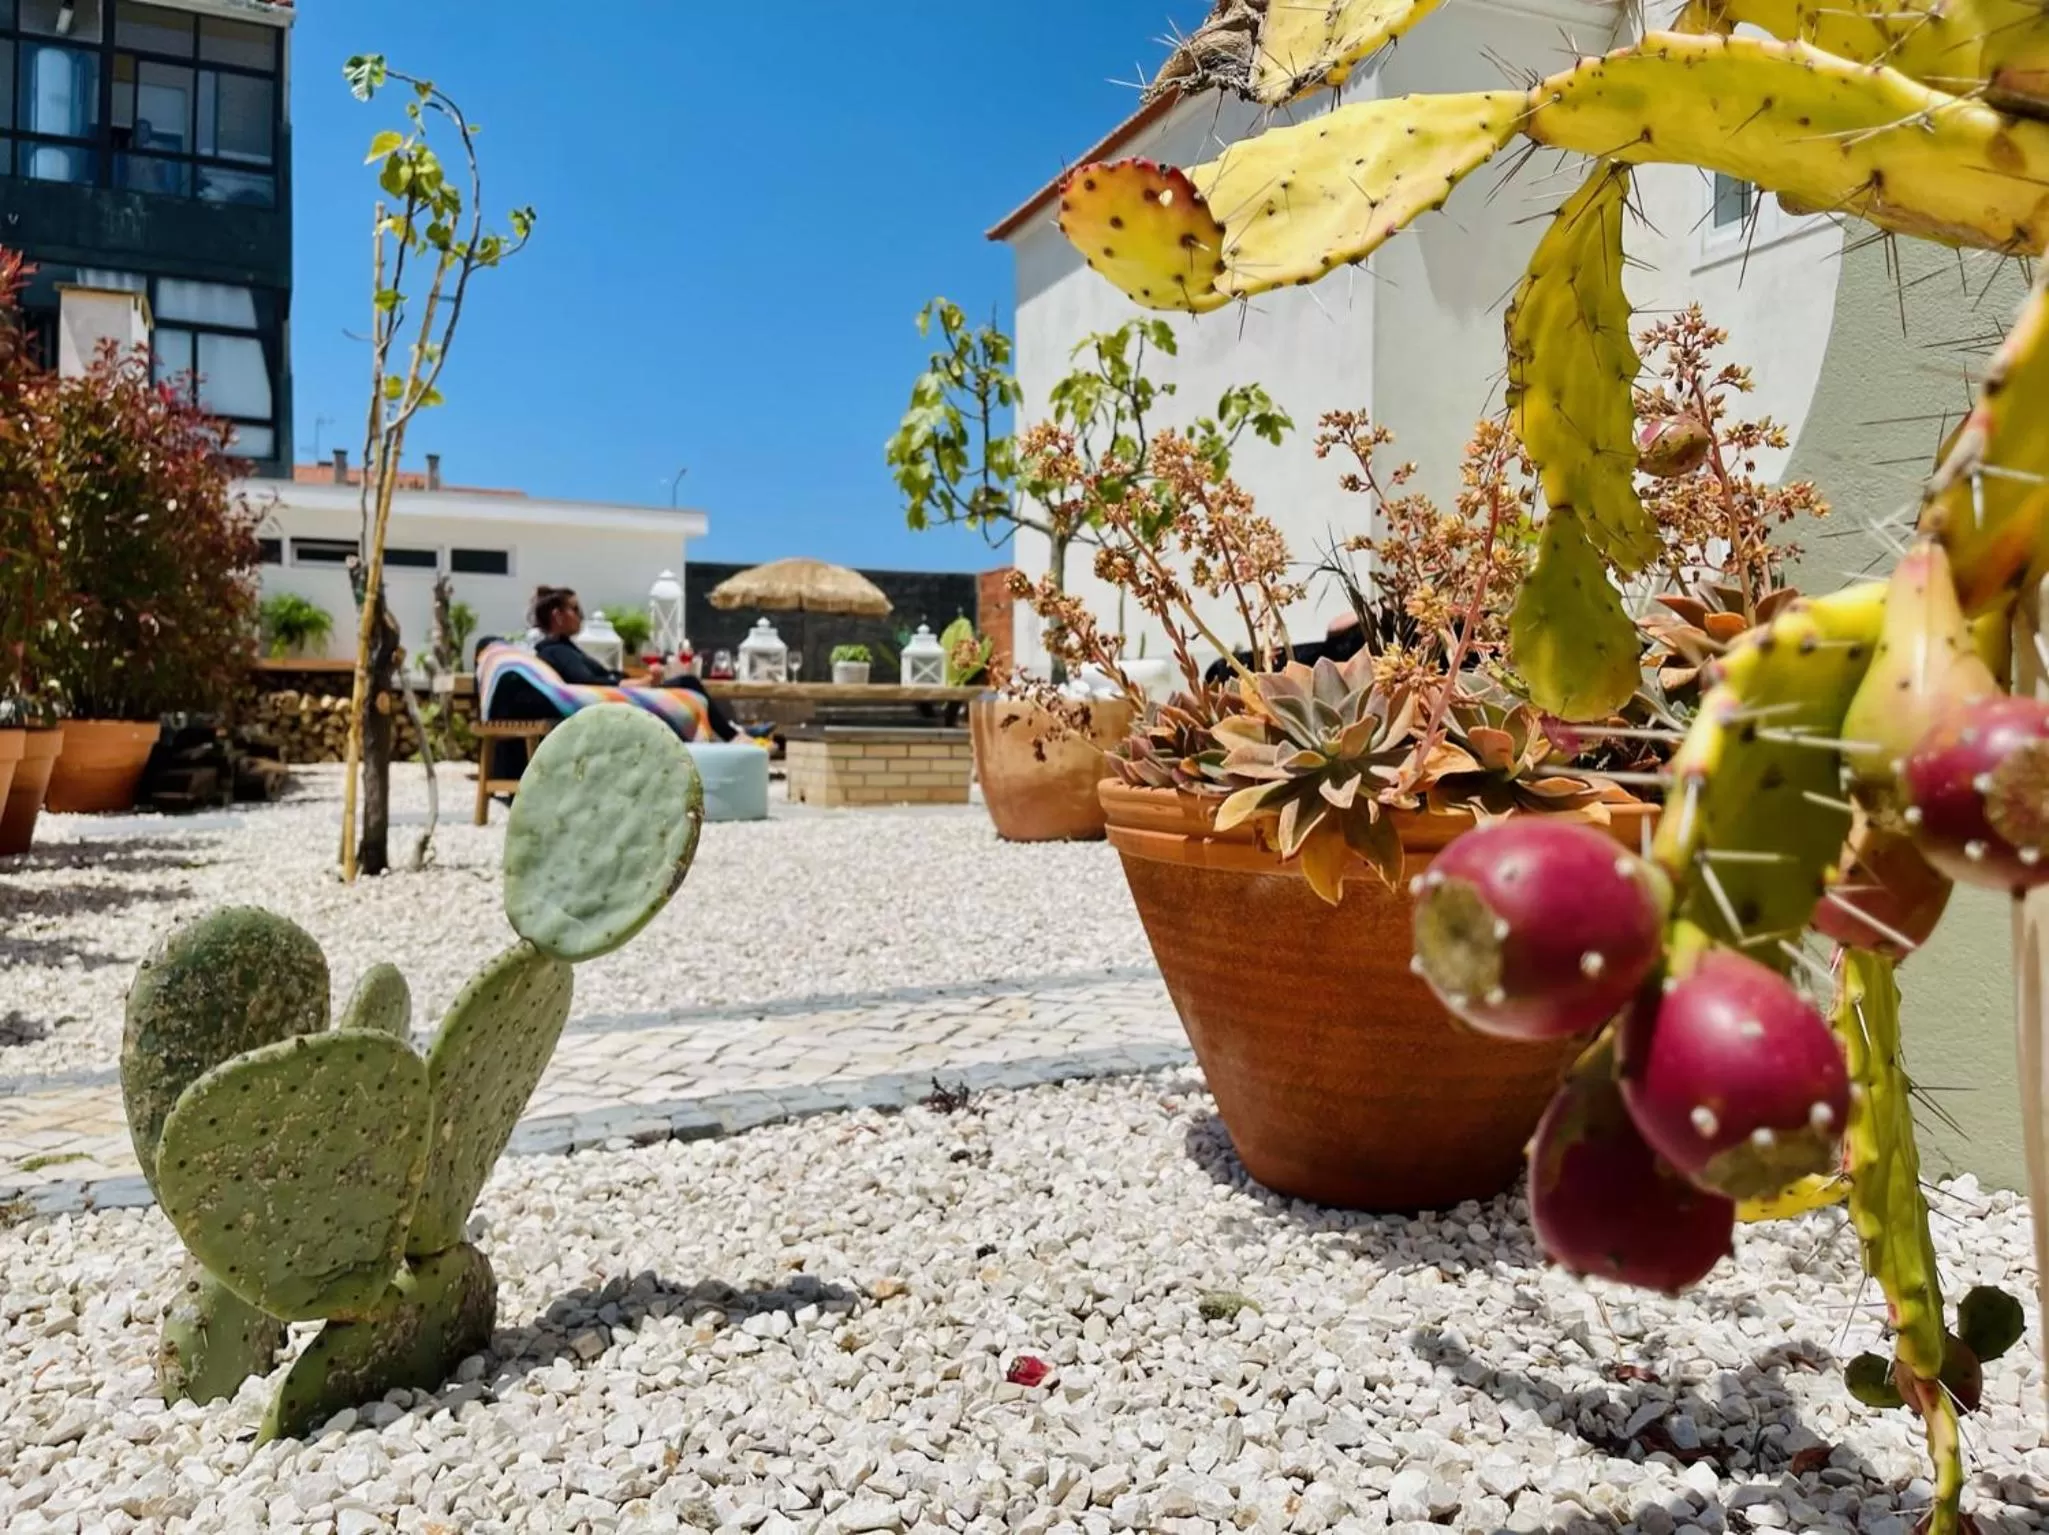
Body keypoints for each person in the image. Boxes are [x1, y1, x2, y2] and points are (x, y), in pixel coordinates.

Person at [528, 585, 750, 743]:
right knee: (688, 681)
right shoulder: (557, 651)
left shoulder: (561, 648)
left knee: (687, 683)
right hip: (616, 702)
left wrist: (636, 680)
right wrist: (641, 683)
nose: (581, 616)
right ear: (558, 616)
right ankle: (732, 735)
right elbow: (591, 684)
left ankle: (731, 733)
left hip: (618, 698)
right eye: (575, 609)